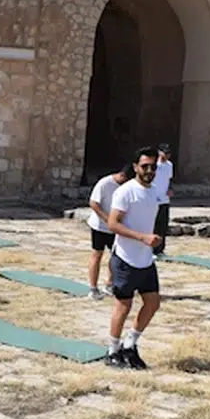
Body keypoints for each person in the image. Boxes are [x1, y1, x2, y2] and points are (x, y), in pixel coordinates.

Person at [105, 147, 163, 370]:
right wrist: (142, 237)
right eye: (145, 166)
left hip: (145, 259)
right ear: (136, 167)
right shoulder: (125, 192)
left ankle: (130, 345)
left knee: (153, 303)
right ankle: (112, 351)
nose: (149, 171)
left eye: (153, 167)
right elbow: (113, 223)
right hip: (125, 258)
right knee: (123, 306)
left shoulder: (154, 191)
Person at [86, 163, 134, 300]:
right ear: (122, 175)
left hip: (116, 227)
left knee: (115, 256)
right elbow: (93, 203)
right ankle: (93, 288)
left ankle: (110, 284)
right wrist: (107, 219)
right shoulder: (104, 183)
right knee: (97, 254)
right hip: (100, 226)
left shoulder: (127, 188)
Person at [151, 144, 173, 258]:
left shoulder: (169, 165)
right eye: (165, 152)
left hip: (165, 199)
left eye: (168, 153)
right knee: (153, 225)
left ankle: (160, 249)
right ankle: (151, 249)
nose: (167, 155)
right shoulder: (153, 164)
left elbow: (169, 179)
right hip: (154, 199)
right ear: (159, 152)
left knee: (163, 226)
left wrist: (170, 189)